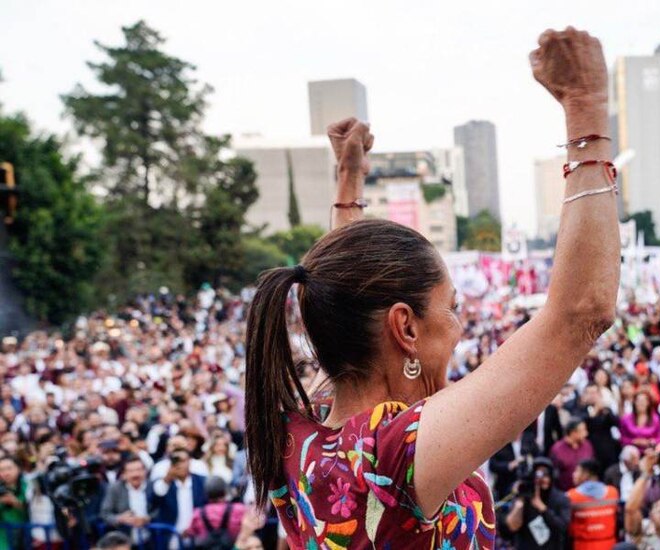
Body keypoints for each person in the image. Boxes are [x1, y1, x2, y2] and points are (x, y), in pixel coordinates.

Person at [243, 27, 619, 549]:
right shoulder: (392, 453)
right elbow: (582, 312)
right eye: (453, 308)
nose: (461, 327)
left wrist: (348, 186)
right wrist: (587, 111)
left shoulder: (295, 433)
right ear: (405, 327)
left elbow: (341, 295)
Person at [503, 457, 572, 550]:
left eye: (545, 474)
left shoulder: (560, 498)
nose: (542, 479)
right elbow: (512, 527)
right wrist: (520, 503)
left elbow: (562, 527)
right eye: (537, 475)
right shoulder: (524, 495)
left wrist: (542, 508)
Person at [149, 450, 207, 544]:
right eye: (176, 461)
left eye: (183, 460)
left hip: (197, 537)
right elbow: (154, 501)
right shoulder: (164, 483)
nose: (179, 465)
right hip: (171, 537)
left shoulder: (201, 482)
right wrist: (167, 478)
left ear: (189, 461)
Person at [566, 459, 619, 550]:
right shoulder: (612, 492)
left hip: (583, 546)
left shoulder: (571, 496)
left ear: (586, 474)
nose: (574, 474)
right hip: (609, 545)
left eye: (577, 471)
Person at [100, 456, 152, 539]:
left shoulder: (152, 487)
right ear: (124, 474)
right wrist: (120, 518)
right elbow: (105, 514)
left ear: (145, 471)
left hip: (152, 539)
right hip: (124, 539)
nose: (135, 474)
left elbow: (161, 510)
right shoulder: (115, 489)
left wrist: (147, 519)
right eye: (131, 471)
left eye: (139, 470)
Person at [185, 477, 247, 543]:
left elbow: (191, 532)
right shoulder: (239, 510)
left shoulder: (198, 513)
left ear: (206, 494)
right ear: (225, 491)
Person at [550, 420, 596, 492]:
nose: (586, 433)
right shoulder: (557, 449)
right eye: (583, 430)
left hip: (587, 494)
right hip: (565, 494)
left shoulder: (588, 445)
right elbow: (553, 475)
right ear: (573, 433)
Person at [0, 456, 27, 550]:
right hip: (4, 538)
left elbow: (32, 511)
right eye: (1, 470)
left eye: (9, 468)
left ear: (18, 468)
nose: (6, 473)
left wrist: (15, 502)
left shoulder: (27, 486)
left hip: (27, 535)